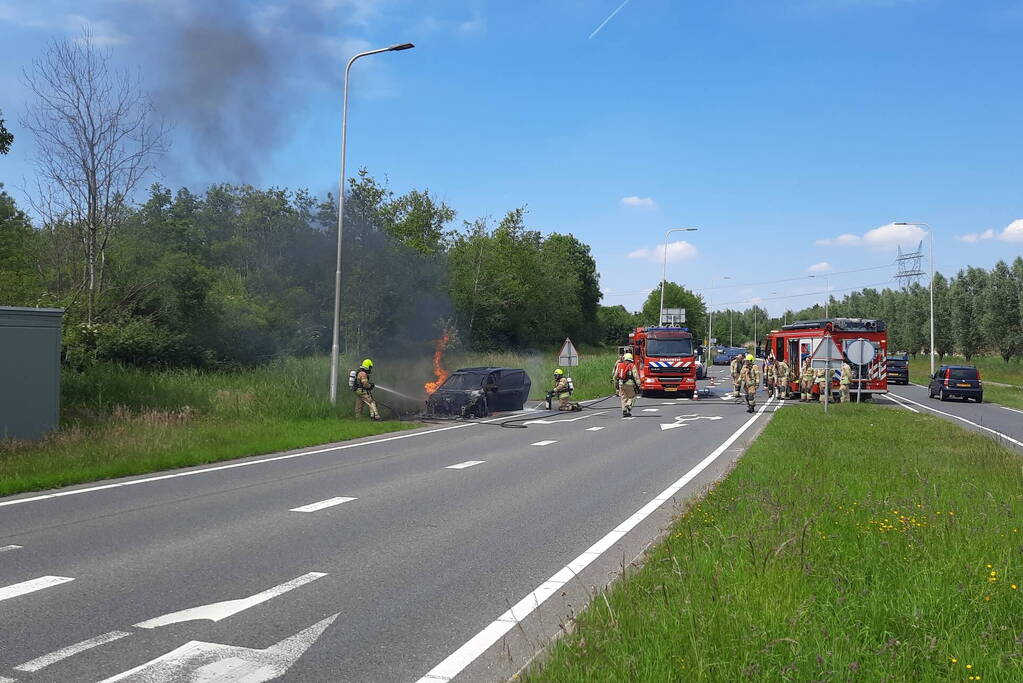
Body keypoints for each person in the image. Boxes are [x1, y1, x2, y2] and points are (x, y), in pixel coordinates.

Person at [612, 352, 641, 417]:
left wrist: (616, 384)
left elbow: (615, 376)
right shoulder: (632, 365)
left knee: (623, 398)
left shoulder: (619, 365)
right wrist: (639, 384)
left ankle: (624, 411)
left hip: (621, 384)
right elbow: (636, 376)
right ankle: (628, 405)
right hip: (630, 384)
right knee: (632, 396)